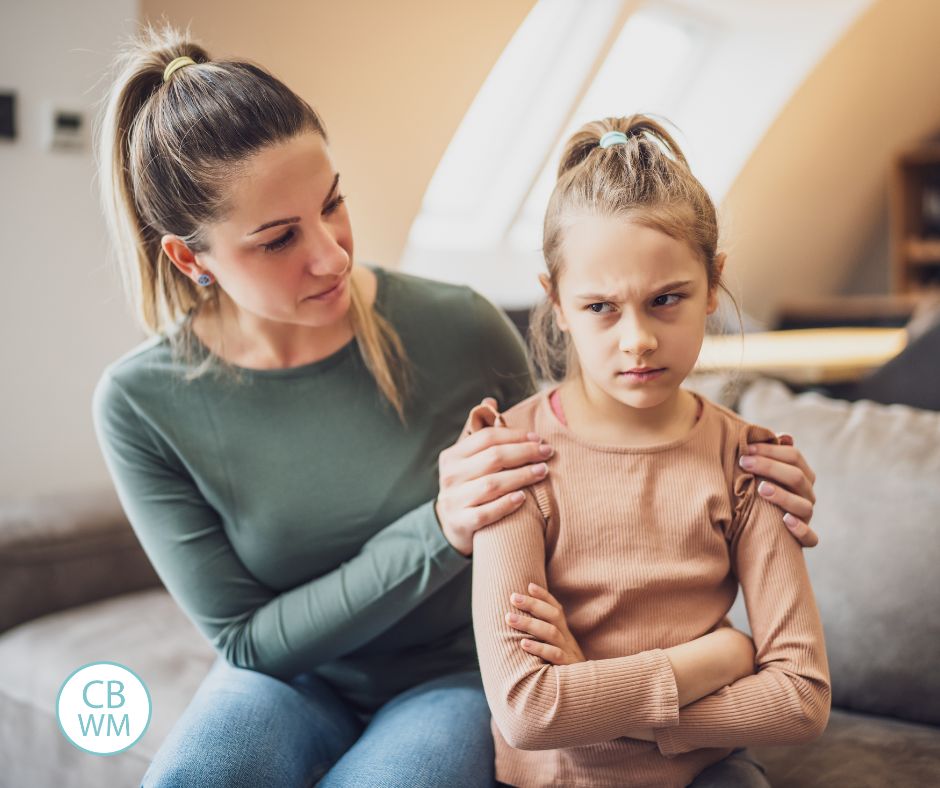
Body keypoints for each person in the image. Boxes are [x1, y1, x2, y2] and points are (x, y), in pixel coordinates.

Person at [92, 26, 821, 787]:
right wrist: (441, 528)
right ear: (190, 257)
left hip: (456, 675)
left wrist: (747, 478)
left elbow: (601, 444)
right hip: (285, 681)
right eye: (278, 239)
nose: (333, 253)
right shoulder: (140, 403)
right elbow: (247, 640)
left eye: (333, 203)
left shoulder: (456, 325)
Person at [471, 118, 831, 788]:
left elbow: (800, 699)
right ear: (555, 302)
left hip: (708, 775)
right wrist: (720, 658)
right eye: (602, 307)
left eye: (667, 299)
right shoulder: (512, 458)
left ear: (714, 283)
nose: (637, 339)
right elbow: (528, 711)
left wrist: (593, 691)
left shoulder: (748, 462)